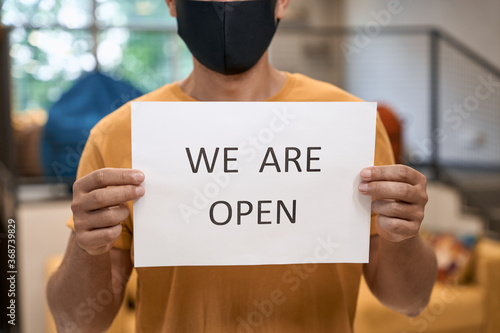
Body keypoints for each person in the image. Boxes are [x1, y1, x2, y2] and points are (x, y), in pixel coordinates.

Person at [47, 0, 437, 332]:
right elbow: (74, 324)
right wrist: (88, 247)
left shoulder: (350, 125)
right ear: (170, 2)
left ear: (282, 1)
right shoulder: (118, 135)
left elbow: (411, 302)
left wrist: (403, 236)